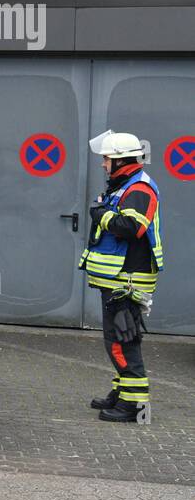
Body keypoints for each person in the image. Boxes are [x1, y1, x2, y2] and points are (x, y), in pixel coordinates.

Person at [80, 130, 161, 423]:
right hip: (117, 278)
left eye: (106, 159)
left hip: (127, 280)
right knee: (117, 339)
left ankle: (135, 406)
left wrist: (99, 214)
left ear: (120, 160)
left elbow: (130, 228)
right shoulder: (123, 185)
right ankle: (122, 392)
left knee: (122, 341)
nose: (103, 164)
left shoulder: (139, 189)